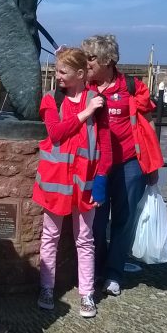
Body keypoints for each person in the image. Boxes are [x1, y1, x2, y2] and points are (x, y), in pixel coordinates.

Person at [81, 34, 164, 296]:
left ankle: (115, 273)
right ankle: (96, 267)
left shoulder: (131, 86)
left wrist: (152, 166)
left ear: (108, 60)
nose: (87, 62)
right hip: (96, 166)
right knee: (95, 220)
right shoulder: (84, 87)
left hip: (130, 164)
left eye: (91, 58)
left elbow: (148, 125)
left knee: (123, 220)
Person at [33, 48, 112, 317]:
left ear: (80, 74)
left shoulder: (98, 102)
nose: (58, 75)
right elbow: (55, 132)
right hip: (56, 183)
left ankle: (87, 294)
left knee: (85, 239)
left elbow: (104, 144)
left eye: (63, 71)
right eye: (56, 70)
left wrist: (101, 179)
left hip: (86, 183)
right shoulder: (51, 100)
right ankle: (46, 288)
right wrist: (85, 112)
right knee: (50, 236)